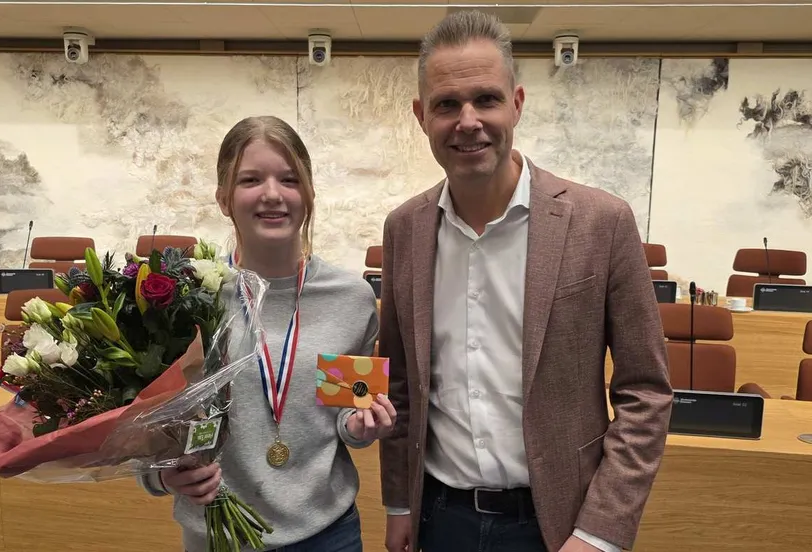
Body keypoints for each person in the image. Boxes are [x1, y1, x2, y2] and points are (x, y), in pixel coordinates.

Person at [379, 10, 673, 552]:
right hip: (440, 521)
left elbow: (646, 392)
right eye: (447, 104)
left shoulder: (601, 222)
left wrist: (599, 532)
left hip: (560, 525)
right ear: (422, 116)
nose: (468, 121)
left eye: (486, 99)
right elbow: (400, 384)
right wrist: (399, 502)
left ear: (516, 103)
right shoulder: (405, 229)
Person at [138, 115, 397, 552]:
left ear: (309, 194)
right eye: (251, 179)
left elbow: (346, 414)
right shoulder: (187, 303)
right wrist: (162, 475)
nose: (273, 194)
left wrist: (361, 424)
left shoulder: (350, 299)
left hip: (327, 535)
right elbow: (146, 428)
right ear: (224, 198)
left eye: (289, 179)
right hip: (217, 538)